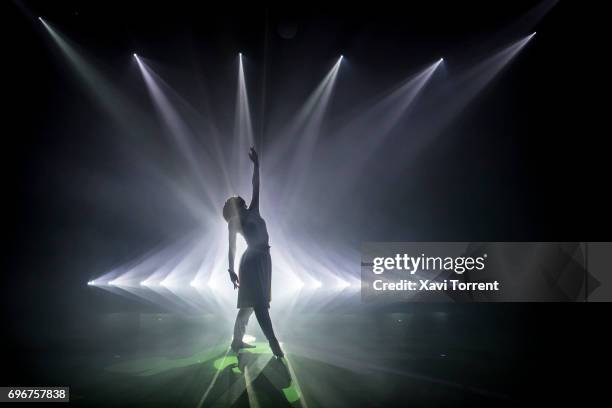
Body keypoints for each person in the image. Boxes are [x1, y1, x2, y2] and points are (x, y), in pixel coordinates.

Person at [223, 147, 284, 358]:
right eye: (237, 199)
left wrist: (257, 165)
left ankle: (236, 341)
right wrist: (230, 269)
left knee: (250, 304)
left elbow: (255, 185)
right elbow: (231, 247)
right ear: (234, 206)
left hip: (264, 258)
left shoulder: (254, 209)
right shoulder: (234, 222)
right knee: (258, 304)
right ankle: (273, 342)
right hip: (251, 261)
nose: (242, 198)